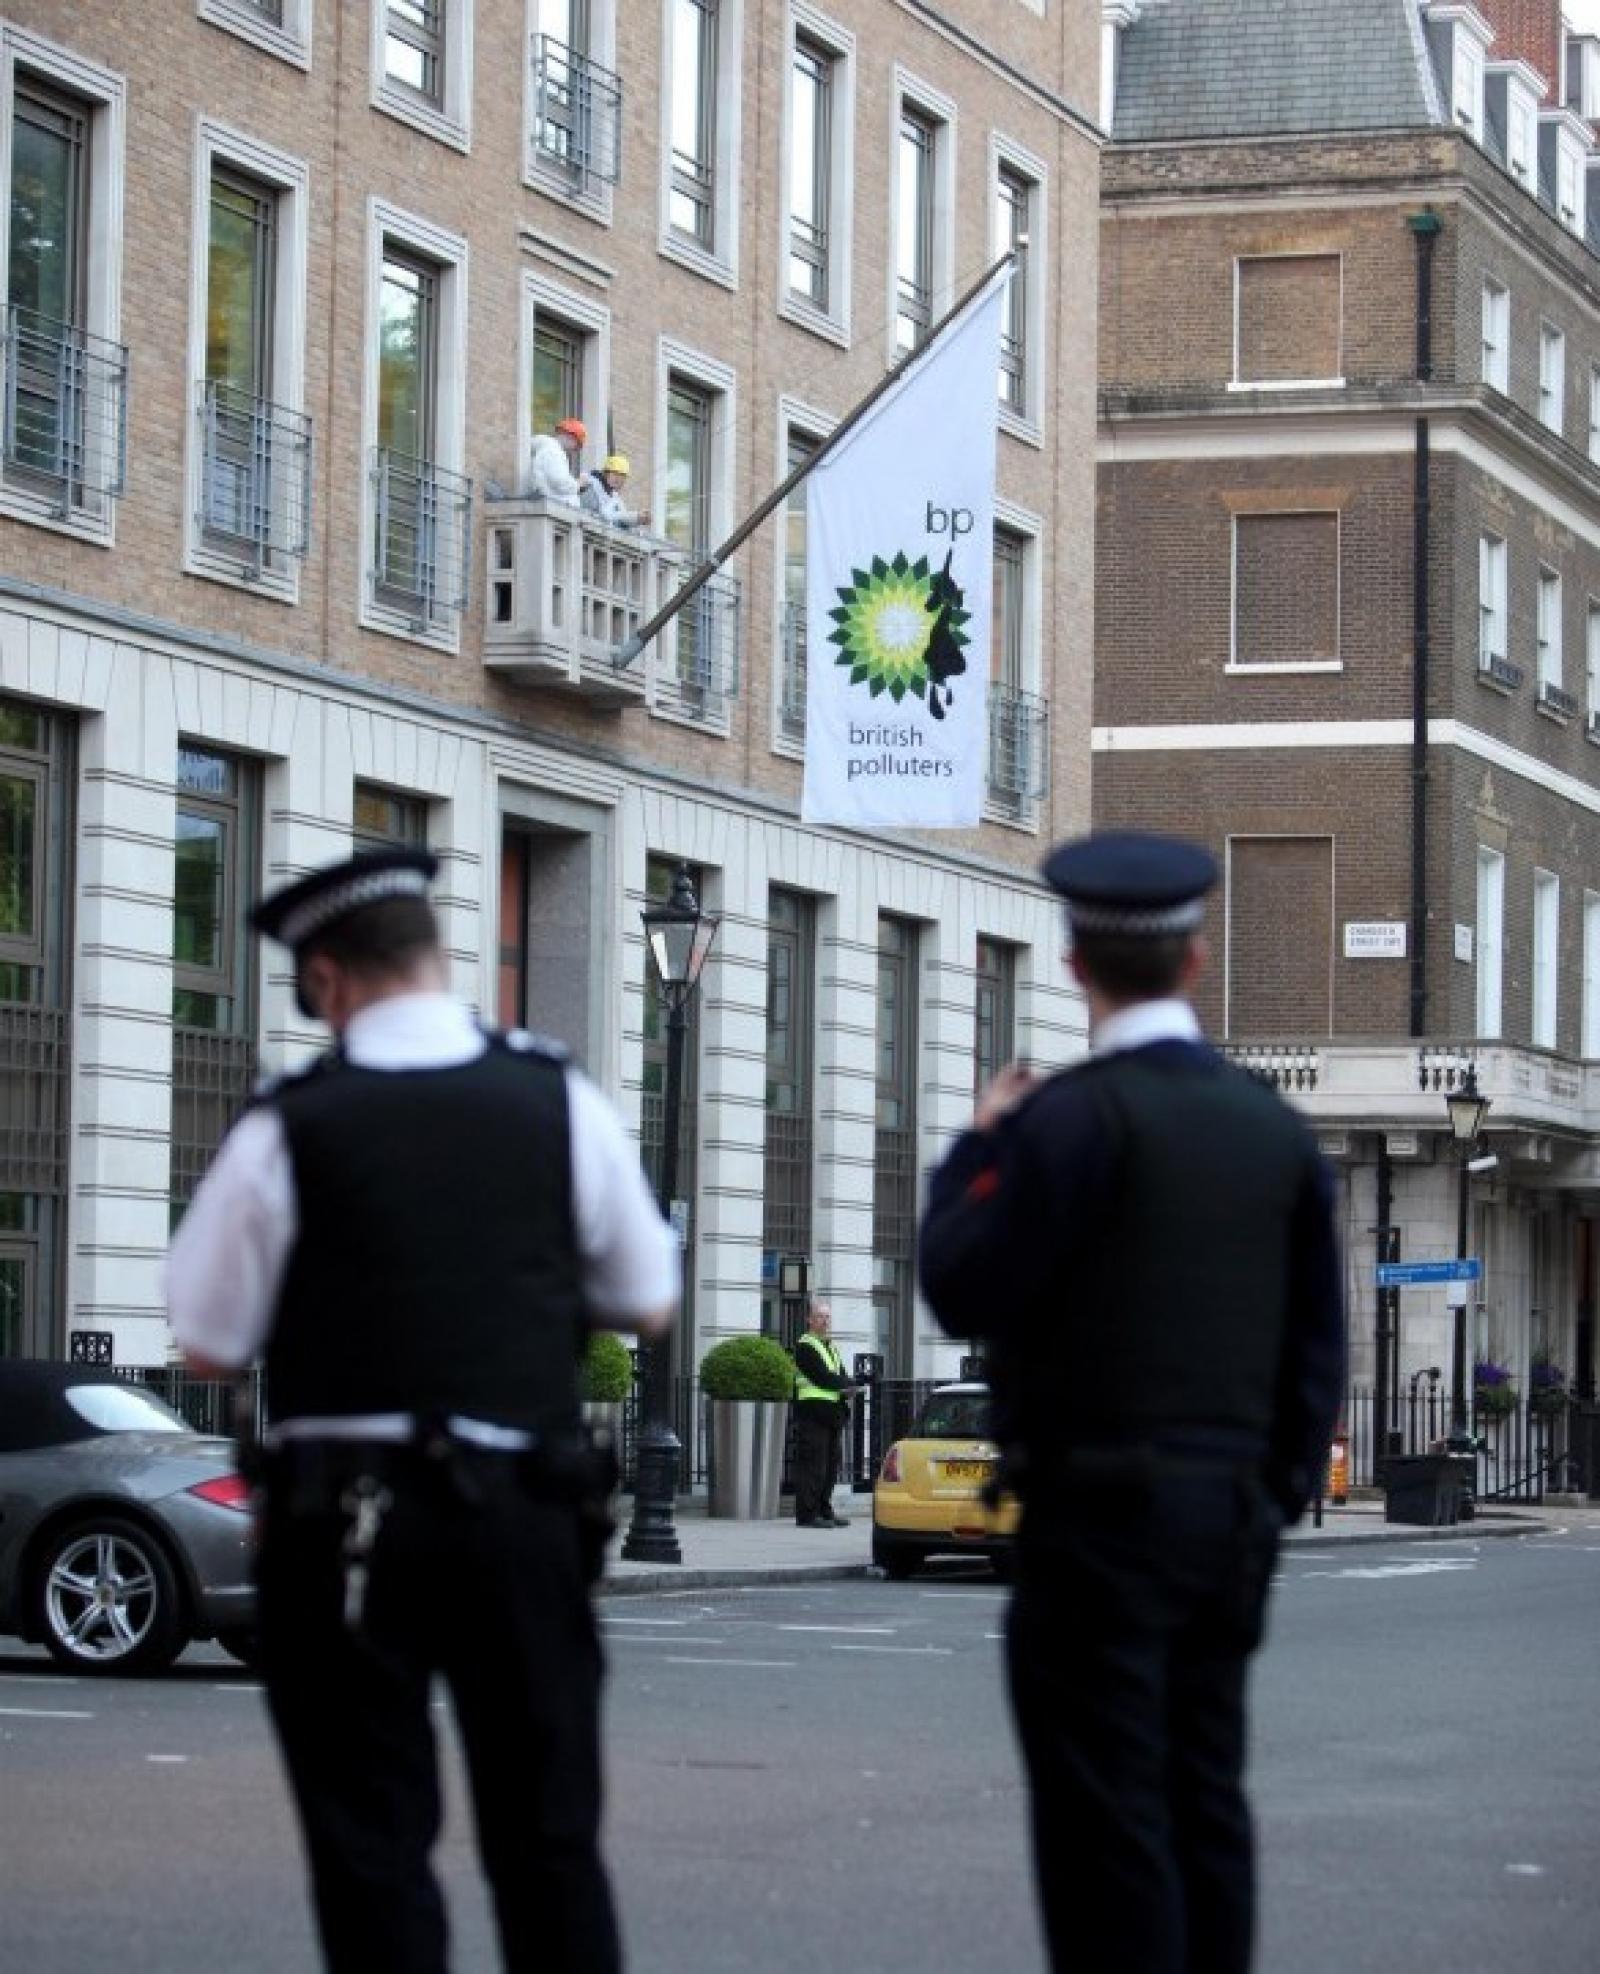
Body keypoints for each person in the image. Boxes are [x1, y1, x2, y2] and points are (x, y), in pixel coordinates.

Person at [166, 848, 678, 1974]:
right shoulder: (555, 1094)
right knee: (547, 1840)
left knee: (372, 1847)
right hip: (519, 1515)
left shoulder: (290, 1121)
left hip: (344, 1526)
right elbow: (646, 1294)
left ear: (329, 983)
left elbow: (206, 1332)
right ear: (438, 961)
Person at [917, 830, 1344, 1974]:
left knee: (1107, 1824)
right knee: (1206, 1794)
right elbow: (1318, 1347)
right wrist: (1273, 1493)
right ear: (1194, 962)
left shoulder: (1063, 1124)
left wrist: (970, 1150)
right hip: (1225, 1519)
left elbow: (960, 1285)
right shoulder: (1273, 1132)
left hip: (1091, 1518)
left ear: (1074, 967)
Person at [791, 1299, 853, 1528]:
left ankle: (824, 1510)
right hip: (812, 1414)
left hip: (832, 1414)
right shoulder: (805, 1346)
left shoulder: (831, 1347)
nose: (825, 1321)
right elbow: (823, 1377)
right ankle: (807, 1515)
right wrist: (847, 1385)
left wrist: (850, 1386)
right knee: (812, 1467)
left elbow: (840, 1375)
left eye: (828, 1317)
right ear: (809, 1319)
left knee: (829, 1466)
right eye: (820, 1316)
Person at [527, 414, 589, 508]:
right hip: (554, 509)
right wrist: (578, 484)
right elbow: (560, 482)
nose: (573, 450)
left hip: (553, 507)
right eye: (576, 445)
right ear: (571, 437)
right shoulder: (553, 452)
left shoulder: (550, 450)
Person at [580, 453, 649, 531]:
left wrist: (638, 519)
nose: (618, 479)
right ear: (605, 473)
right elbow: (602, 516)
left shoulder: (615, 497)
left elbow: (623, 519)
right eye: (615, 474)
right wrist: (635, 516)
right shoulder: (590, 486)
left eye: (622, 476)